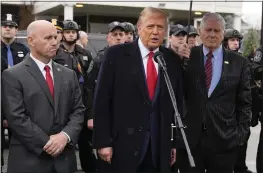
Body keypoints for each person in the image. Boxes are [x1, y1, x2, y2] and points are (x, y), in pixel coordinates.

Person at [93, 7, 183, 173]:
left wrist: (174, 144)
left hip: (159, 148)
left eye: (160, 27)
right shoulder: (116, 55)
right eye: (150, 26)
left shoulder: (171, 59)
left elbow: (177, 104)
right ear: (139, 27)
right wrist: (103, 142)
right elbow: (102, 100)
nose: (155, 32)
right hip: (123, 146)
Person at [1, 20, 85, 173]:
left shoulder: (69, 74)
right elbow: (16, 117)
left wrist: (65, 136)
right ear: (31, 41)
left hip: (64, 162)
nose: (54, 42)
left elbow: (78, 110)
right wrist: (48, 143)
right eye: (48, 38)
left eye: (55, 37)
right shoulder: (13, 75)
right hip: (29, 161)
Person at [177, 12, 251, 173]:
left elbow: (244, 103)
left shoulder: (240, 63)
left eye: (217, 31)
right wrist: (178, 58)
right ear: (200, 31)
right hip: (190, 141)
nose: (212, 34)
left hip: (224, 142)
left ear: (223, 33)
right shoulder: (187, 55)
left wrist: (240, 136)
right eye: (208, 30)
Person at [54, 19, 97, 173]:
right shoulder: (56, 53)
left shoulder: (85, 53)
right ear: (62, 34)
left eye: (73, 32)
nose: (71, 35)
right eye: (67, 32)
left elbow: (91, 84)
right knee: (66, 144)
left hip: (84, 104)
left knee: (86, 145)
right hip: (64, 106)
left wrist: (91, 113)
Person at [1, 13, 29, 172]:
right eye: (4, 26)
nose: (7, 29)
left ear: (16, 30)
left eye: (11, 26)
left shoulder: (23, 49)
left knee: (19, 139)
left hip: (18, 100)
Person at [223, 28, 252, 173]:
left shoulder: (243, 61)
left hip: (240, 111)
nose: (235, 43)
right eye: (232, 40)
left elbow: (248, 89)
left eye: (237, 40)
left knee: (242, 143)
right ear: (225, 42)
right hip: (225, 113)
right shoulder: (220, 60)